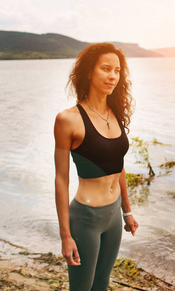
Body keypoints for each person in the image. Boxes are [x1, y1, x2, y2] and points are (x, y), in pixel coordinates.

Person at [54, 43, 138, 291]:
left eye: (117, 70)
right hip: (85, 219)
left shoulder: (115, 113)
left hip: (113, 216)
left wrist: (127, 211)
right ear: (90, 72)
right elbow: (61, 179)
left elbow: (118, 166)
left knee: (101, 285)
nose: (113, 76)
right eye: (105, 69)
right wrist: (65, 236)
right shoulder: (68, 119)